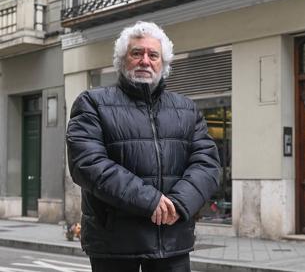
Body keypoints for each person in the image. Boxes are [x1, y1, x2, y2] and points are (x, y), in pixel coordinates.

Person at [66, 21, 220, 272]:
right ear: (122, 60)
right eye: (136, 53)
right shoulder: (92, 103)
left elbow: (208, 163)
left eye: (153, 54)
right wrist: (151, 201)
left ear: (164, 63)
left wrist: (179, 204)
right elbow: (87, 164)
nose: (145, 61)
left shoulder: (187, 109)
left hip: (173, 240)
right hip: (114, 243)